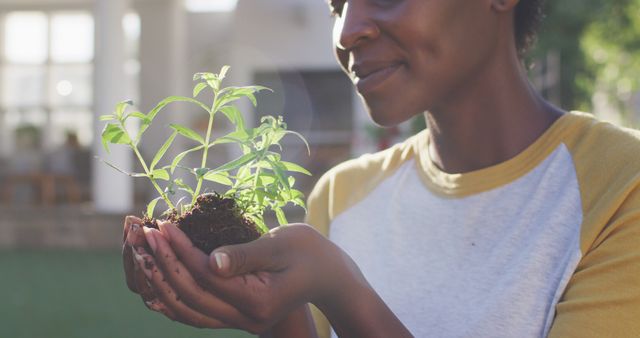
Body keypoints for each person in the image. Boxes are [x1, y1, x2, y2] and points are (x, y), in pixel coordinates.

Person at [122, 0, 640, 337]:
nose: (348, 31)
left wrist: (343, 292)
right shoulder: (345, 193)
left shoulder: (620, 185)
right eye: (335, 4)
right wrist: (278, 313)